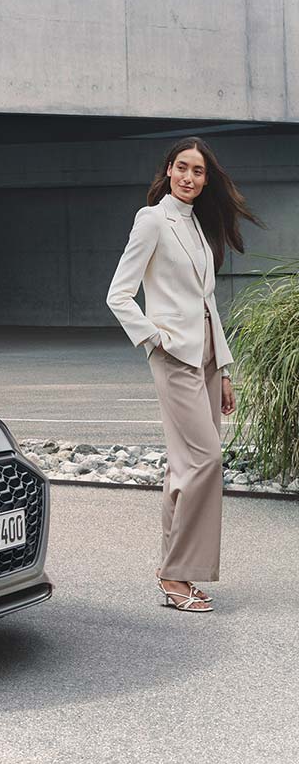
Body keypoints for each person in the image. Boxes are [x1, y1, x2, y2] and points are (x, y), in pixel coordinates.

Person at [106, 138, 256, 613]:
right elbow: (119, 294)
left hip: (208, 357)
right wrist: (155, 340)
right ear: (168, 170)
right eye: (182, 168)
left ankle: (173, 570)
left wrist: (226, 368)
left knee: (183, 467)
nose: (189, 177)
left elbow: (208, 303)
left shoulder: (198, 226)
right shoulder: (152, 219)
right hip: (175, 357)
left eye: (198, 171)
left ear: (206, 179)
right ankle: (176, 574)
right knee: (206, 460)